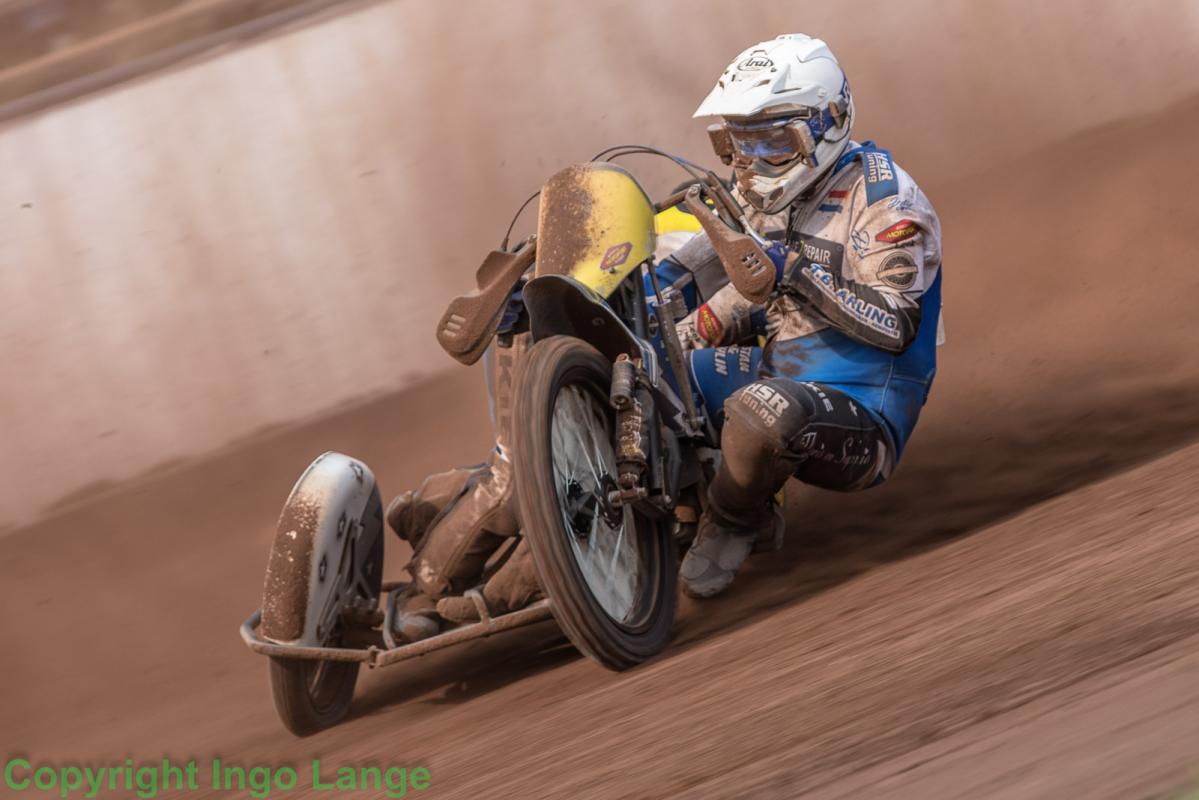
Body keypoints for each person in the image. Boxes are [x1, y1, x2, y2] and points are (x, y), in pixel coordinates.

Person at [389, 32, 943, 639]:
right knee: (638, 377)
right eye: (738, 143)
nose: (752, 163)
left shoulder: (888, 203)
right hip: (772, 369)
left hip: (862, 409)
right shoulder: (752, 198)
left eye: (772, 142)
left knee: (760, 411)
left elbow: (897, 326)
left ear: (829, 123)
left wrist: (792, 271)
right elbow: (680, 276)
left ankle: (736, 520)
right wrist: (586, 295)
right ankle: (508, 534)